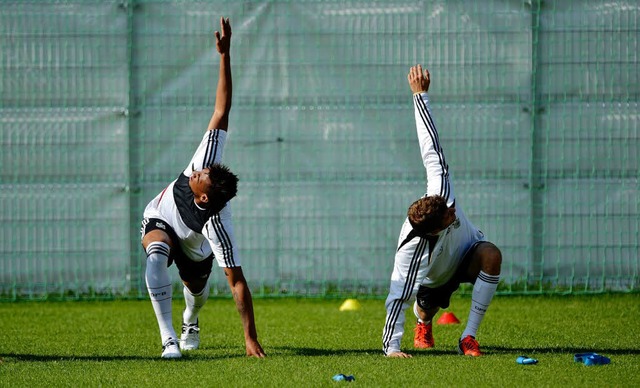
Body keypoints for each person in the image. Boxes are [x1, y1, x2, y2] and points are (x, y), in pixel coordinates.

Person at [140, 17, 265, 359]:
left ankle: (190, 321)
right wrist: (225, 55)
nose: (197, 171)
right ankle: (169, 342)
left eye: (201, 177)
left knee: (196, 294)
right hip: (160, 218)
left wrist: (249, 338)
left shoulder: (218, 226)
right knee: (155, 257)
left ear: (205, 197)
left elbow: (237, 281)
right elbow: (222, 109)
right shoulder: (205, 160)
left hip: (195, 249)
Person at [382, 65, 502, 358]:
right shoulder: (411, 252)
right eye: (449, 216)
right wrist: (392, 348)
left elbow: (430, 146)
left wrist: (420, 96)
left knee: (492, 255)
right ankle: (423, 322)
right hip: (435, 276)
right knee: (426, 307)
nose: (453, 211)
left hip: (469, 251)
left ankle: (468, 337)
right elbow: (397, 295)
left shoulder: (441, 191)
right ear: (434, 230)